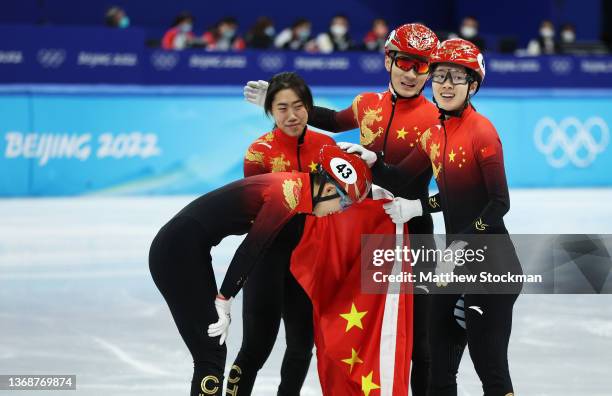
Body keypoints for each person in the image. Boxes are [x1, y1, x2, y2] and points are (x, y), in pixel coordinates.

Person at [245, 22, 439, 396]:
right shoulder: (368, 104)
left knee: (420, 343)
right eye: (404, 62)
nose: (412, 74)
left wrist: (418, 206)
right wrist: (277, 99)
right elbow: (333, 122)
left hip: (415, 235)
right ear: (388, 60)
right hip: (367, 237)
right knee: (357, 333)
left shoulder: (436, 120)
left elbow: (445, 191)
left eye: (422, 66)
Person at [343, 38, 522, 396]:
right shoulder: (433, 134)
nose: (446, 85)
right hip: (455, 262)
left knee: (491, 371)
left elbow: (498, 203)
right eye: (440, 76)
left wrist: (460, 242)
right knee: (438, 373)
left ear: (472, 85)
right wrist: (371, 161)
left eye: (457, 78)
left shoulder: (481, 132)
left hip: (492, 263)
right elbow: (401, 179)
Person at [149, 145, 372, 396]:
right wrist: (224, 300)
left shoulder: (298, 186)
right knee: (210, 354)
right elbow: (250, 250)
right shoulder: (288, 195)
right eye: (344, 205)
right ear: (329, 189)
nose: (338, 212)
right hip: (177, 251)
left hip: (184, 247)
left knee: (211, 352)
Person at [228, 72, 336, 395]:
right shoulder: (258, 153)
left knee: (303, 345)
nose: (291, 116)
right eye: (282, 108)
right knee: (256, 348)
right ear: (270, 111)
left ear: (309, 108)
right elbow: (255, 216)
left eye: (299, 107)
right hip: (268, 258)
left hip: (310, 260)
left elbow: (341, 204)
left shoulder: (326, 147)